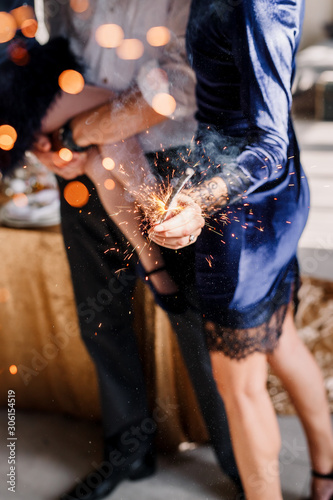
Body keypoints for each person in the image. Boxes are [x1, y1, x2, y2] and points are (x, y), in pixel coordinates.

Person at [0, 1, 241, 499]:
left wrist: (75, 131)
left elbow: (178, 86)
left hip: (174, 165)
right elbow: (66, 62)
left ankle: (241, 463)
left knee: (195, 324)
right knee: (101, 320)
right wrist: (54, 144)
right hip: (85, 167)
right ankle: (128, 453)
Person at [149, 0, 333, 499]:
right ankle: (325, 480)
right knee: (282, 338)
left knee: (240, 388)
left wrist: (201, 201)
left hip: (243, 210)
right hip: (270, 198)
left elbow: (268, 144)